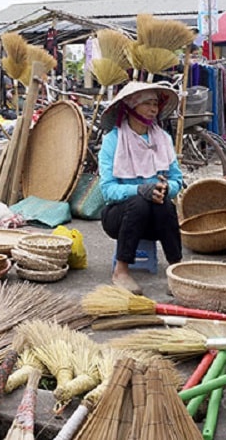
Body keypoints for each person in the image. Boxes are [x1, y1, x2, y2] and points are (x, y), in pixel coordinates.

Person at [98, 81, 184, 293]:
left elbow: (177, 180)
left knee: (164, 204)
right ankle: (121, 271)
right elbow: (107, 190)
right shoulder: (113, 141)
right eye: (147, 103)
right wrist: (139, 190)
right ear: (131, 106)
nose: (153, 109)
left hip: (155, 220)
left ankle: (177, 270)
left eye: (155, 103)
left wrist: (165, 188)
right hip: (119, 218)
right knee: (139, 202)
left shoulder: (162, 139)